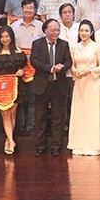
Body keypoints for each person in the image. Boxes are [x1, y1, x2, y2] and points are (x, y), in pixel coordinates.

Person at [68, 20, 100, 155]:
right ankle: (79, 145)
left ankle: (95, 146)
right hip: (80, 83)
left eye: (86, 31)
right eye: (81, 30)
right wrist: (75, 71)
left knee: (93, 113)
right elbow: (71, 65)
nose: (83, 33)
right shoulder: (75, 48)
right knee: (80, 113)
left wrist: (89, 71)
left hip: (93, 82)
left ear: (91, 32)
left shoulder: (96, 47)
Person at [29, 19, 72, 157]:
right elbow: (34, 61)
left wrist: (62, 67)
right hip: (42, 84)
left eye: (58, 30)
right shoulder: (37, 44)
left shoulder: (64, 44)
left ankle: (56, 146)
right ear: (45, 30)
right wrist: (50, 68)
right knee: (40, 116)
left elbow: (68, 61)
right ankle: (40, 146)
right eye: (53, 30)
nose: (56, 33)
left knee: (58, 117)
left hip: (58, 85)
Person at [0, 26, 26, 155]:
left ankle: (8, 139)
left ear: (11, 37)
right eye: (2, 37)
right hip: (0, 87)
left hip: (15, 86)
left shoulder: (18, 52)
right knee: (4, 112)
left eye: (7, 36)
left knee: (12, 113)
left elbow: (23, 68)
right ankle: (11, 140)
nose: (5, 39)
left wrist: (21, 71)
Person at [10, 0, 43, 134]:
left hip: (36, 67)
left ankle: (31, 127)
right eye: (26, 7)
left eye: (31, 8)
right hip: (18, 67)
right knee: (19, 99)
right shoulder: (14, 26)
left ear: (35, 10)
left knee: (33, 99)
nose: (28, 10)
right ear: (21, 9)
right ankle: (19, 127)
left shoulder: (41, 26)